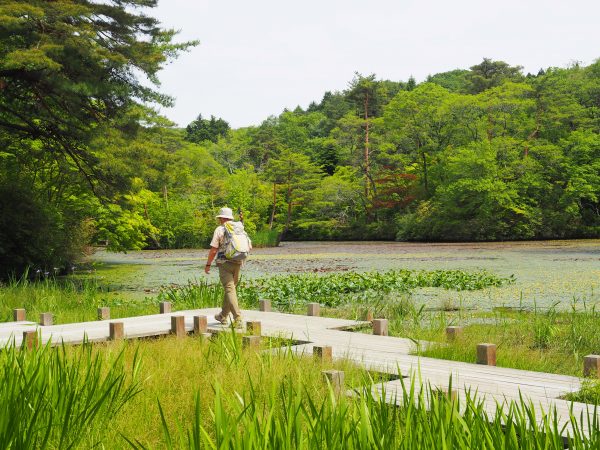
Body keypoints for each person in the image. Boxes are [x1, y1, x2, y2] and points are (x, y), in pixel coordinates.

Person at [204, 207, 250, 325]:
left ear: (222, 218)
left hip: (224, 264)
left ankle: (237, 318)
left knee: (229, 289)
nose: (219, 220)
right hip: (238, 262)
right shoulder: (240, 229)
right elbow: (249, 246)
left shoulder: (220, 229)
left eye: (220, 218)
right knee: (230, 290)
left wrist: (208, 264)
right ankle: (223, 316)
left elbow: (214, 249)